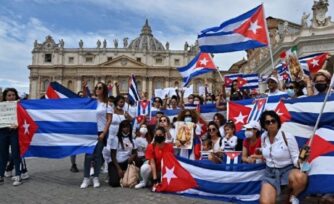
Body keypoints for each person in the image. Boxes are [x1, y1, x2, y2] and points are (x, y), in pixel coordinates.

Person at [259, 110, 308, 204]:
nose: (271, 124)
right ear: (264, 125)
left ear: (278, 122)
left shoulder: (287, 137)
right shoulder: (263, 137)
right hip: (270, 174)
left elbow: (295, 159)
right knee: (265, 202)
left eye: (273, 121)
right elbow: (266, 153)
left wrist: (301, 159)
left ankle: (293, 196)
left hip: (287, 171)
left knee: (300, 177)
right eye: (267, 122)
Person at [80, 82, 112, 189]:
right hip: (90, 131)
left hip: (100, 132)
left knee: (97, 156)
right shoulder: (92, 102)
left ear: (104, 90)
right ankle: (86, 177)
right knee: (88, 156)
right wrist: (84, 88)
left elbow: (109, 120)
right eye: (96, 88)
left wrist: (104, 132)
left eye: (100, 88)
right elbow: (84, 100)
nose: (97, 89)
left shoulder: (108, 104)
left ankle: (96, 177)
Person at [0, 88, 23, 186]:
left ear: (16, 96)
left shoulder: (20, 106)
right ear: (5, 97)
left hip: (14, 132)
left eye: (13, 95)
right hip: (2, 132)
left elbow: (23, 118)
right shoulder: (1, 107)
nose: (11, 97)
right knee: (2, 155)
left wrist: (17, 124)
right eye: (9, 95)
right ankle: (1, 175)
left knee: (16, 154)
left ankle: (18, 175)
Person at [107, 120, 138, 187]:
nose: (126, 129)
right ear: (121, 128)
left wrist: (133, 155)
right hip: (115, 163)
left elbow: (135, 152)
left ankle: (127, 175)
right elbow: (112, 155)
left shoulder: (133, 140)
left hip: (127, 163)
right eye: (124, 127)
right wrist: (119, 169)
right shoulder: (116, 139)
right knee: (114, 183)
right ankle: (115, 175)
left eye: (127, 127)